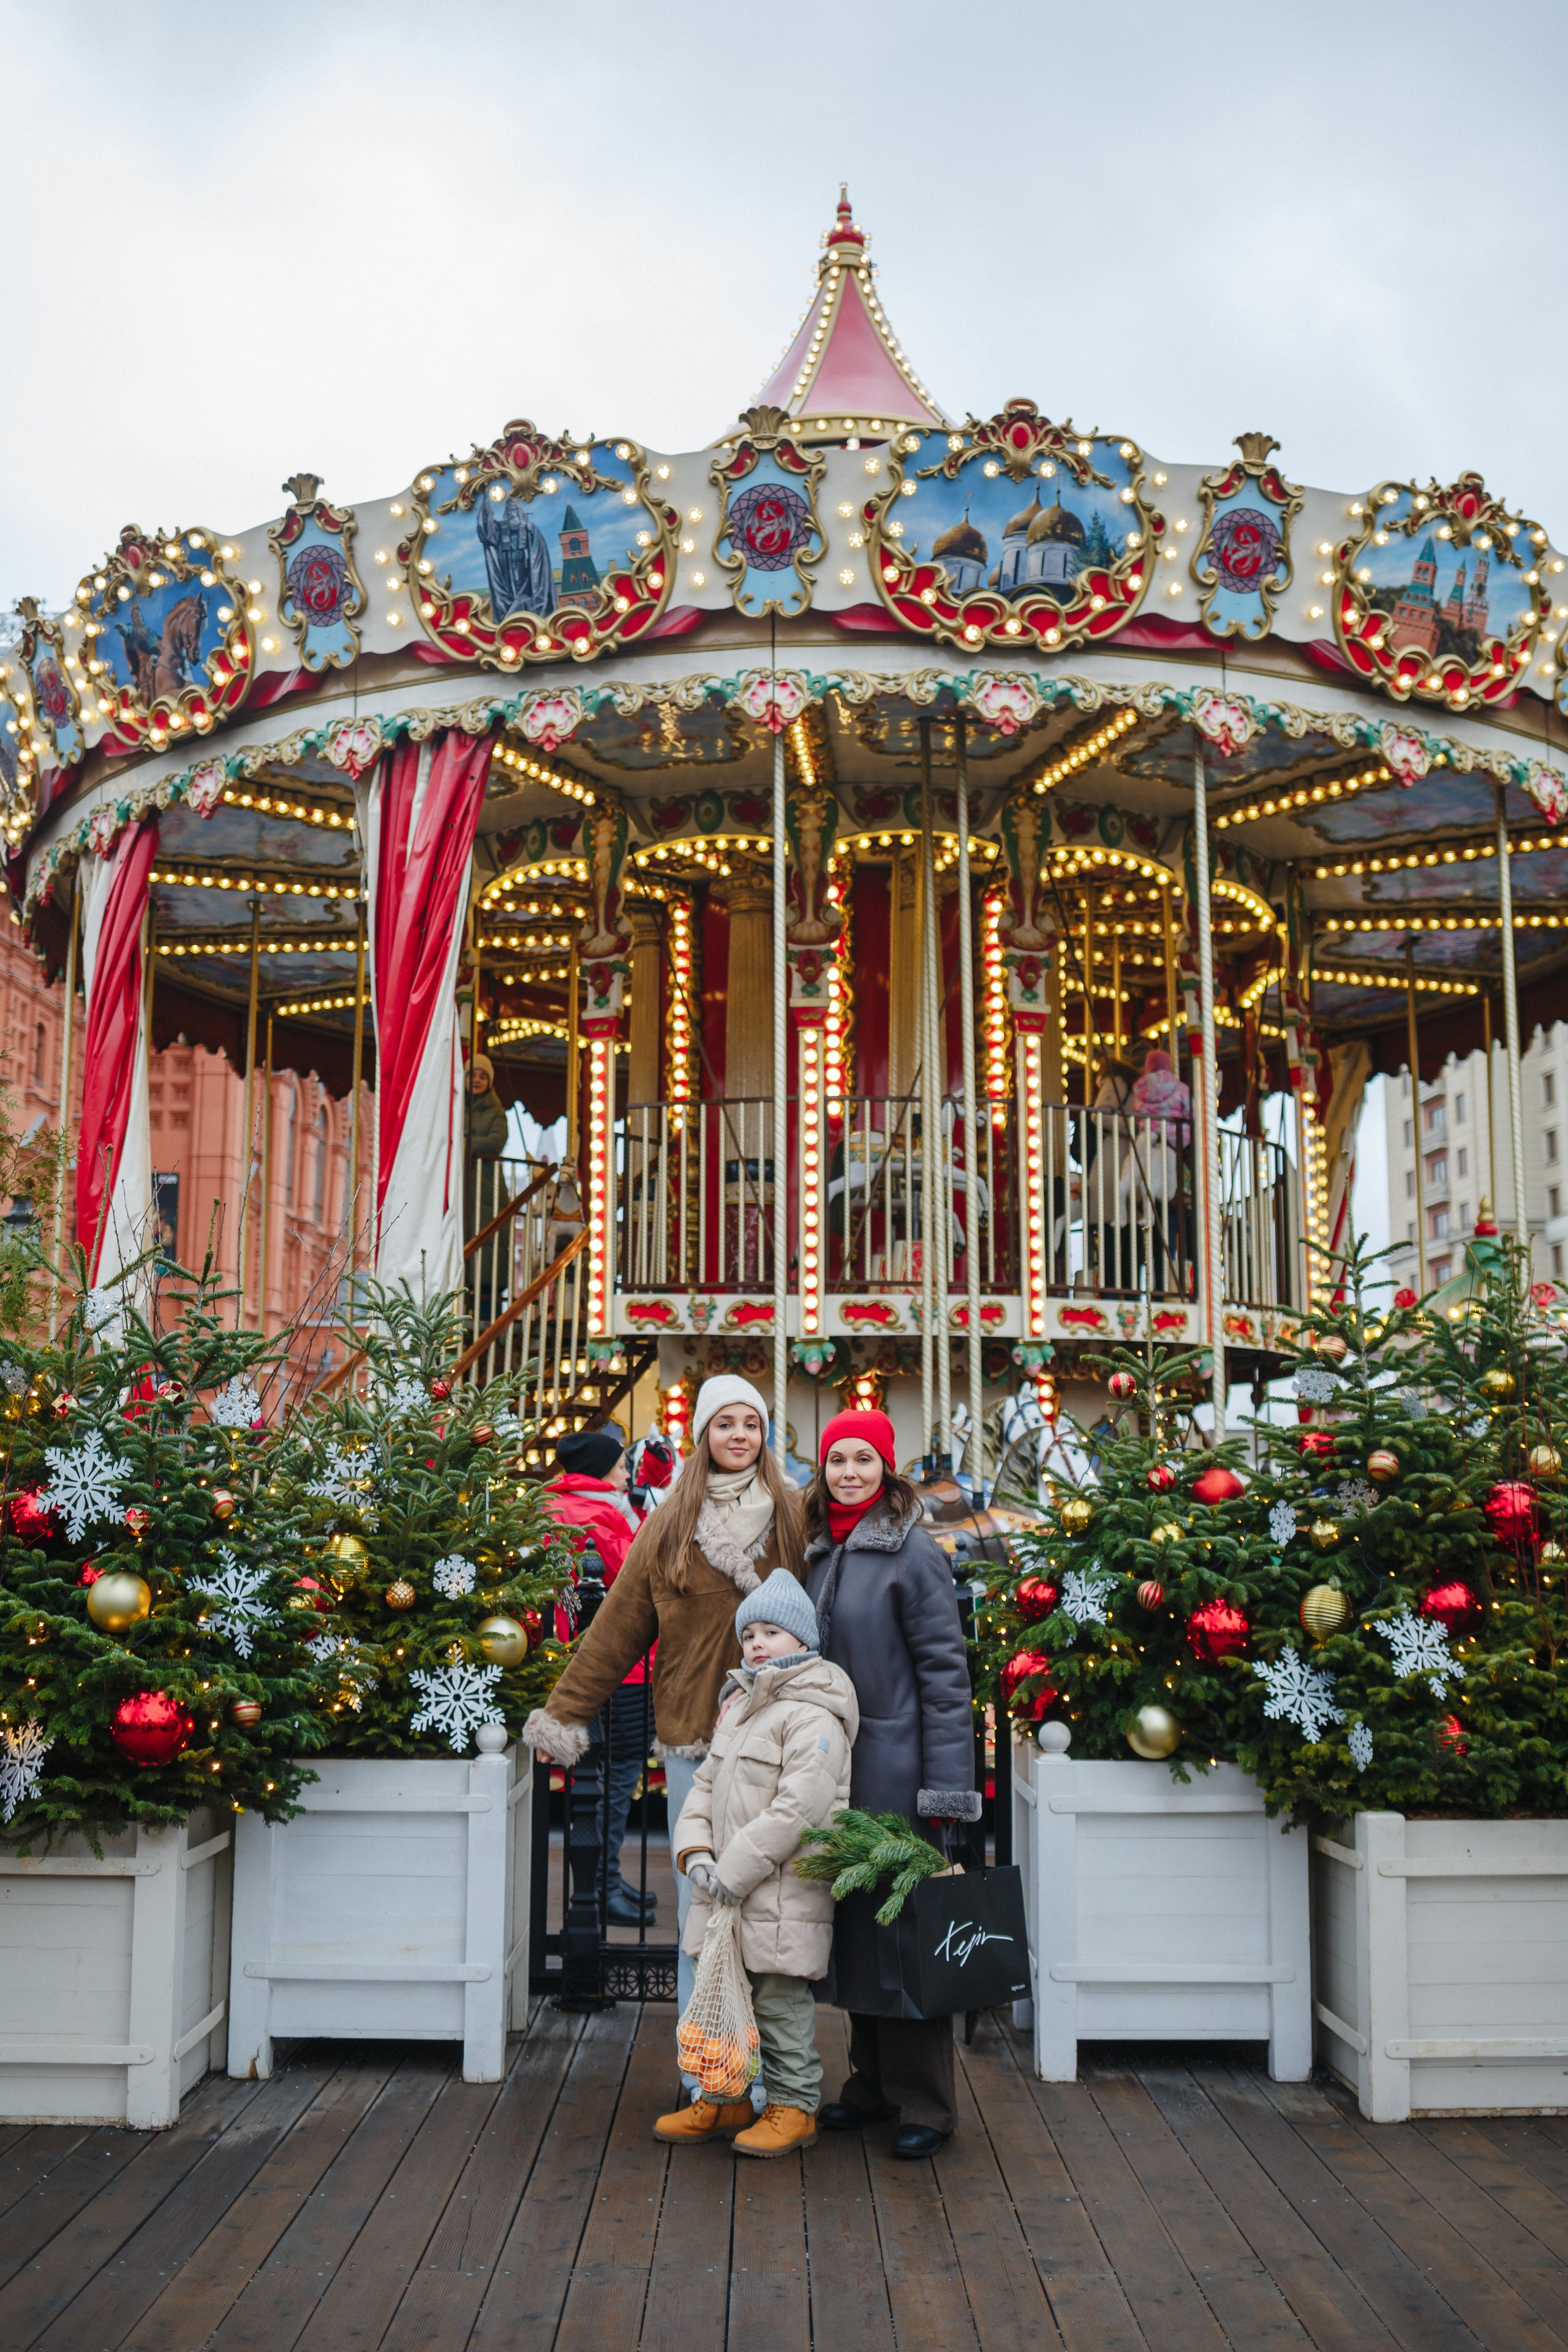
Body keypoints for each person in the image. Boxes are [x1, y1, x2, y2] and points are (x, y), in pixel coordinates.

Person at [524, 1376, 804, 2081]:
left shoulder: (793, 1515)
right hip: (694, 1739)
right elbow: (618, 1625)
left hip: (777, 1739)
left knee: (770, 1911)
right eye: (724, 1423)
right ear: (704, 1434)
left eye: (750, 1423)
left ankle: (770, 2077)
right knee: (700, 1907)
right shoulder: (671, 1521)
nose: (738, 1435)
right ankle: (706, 2071)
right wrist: (565, 1713)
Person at [801, 1408, 979, 2159]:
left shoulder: (912, 1552)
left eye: (863, 1460)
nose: (849, 1473)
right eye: (837, 1460)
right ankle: (870, 2083)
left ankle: (926, 2104)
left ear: (885, 1468)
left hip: (898, 1772)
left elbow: (944, 1676)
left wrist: (945, 1790)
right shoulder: (818, 1549)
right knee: (854, 1933)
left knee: (905, 1935)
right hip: (836, 1771)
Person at [656, 1570, 858, 2157]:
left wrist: (733, 1871)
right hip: (726, 1889)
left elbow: (799, 1810)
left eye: (772, 1632)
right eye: (749, 1635)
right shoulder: (741, 1706)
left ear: (803, 1640)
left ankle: (794, 2108)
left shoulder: (814, 1716)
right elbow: (703, 1786)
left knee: (777, 2000)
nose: (757, 1644)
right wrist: (696, 1853)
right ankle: (727, 2097)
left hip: (780, 1892)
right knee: (722, 1992)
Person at [539, 1427, 652, 1924]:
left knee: (594, 1781)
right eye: (621, 1465)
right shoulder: (603, 1514)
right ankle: (601, 1885)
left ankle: (606, 1878)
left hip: (575, 1660)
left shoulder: (553, 1507)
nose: (627, 1474)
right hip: (621, 1665)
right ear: (602, 1470)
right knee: (618, 1777)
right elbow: (638, 1576)